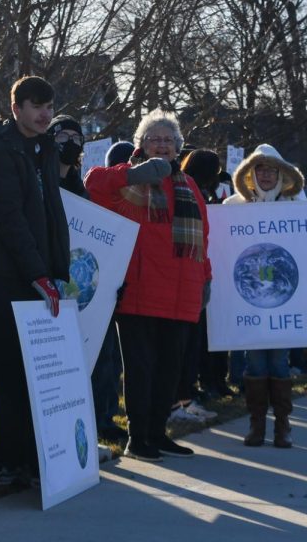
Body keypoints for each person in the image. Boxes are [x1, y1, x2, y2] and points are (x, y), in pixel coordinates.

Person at [85, 110, 210, 461]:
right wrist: (135, 172)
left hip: (182, 293)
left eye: (169, 140)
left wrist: (207, 278)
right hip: (140, 292)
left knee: (171, 371)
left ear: (178, 148)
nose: (162, 145)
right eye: (154, 138)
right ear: (140, 144)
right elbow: (92, 183)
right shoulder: (128, 180)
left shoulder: (189, 186)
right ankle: (137, 437)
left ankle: (157, 432)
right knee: (141, 370)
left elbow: (205, 236)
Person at [0, 76, 71, 486]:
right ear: (16, 109)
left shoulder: (46, 148)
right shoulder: (0, 150)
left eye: (48, 105)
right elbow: (9, 219)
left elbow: (53, 215)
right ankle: (8, 462)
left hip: (40, 275)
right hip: (7, 277)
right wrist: (38, 275)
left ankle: (37, 458)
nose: (44, 113)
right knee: (10, 373)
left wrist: (58, 272)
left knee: (41, 376)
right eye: (34, 105)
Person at [223, 144, 305, 449]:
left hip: (284, 300)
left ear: (281, 173)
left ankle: (283, 426)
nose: (266, 175)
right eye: (260, 169)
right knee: (255, 364)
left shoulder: (298, 207)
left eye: (272, 169)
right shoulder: (233, 207)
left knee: (280, 364)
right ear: (251, 173)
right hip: (250, 299)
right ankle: (256, 424)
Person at [168, 149, 223, 427]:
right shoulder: (185, 191)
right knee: (180, 347)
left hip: (197, 272)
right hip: (182, 275)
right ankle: (176, 402)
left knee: (191, 346)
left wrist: (207, 275)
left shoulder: (197, 192)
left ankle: (185, 399)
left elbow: (204, 238)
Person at [91, 141, 133, 442]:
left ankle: (108, 411)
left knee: (114, 359)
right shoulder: (98, 189)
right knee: (104, 357)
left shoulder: (137, 200)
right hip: (101, 286)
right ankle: (101, 416)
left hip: (122, 286)